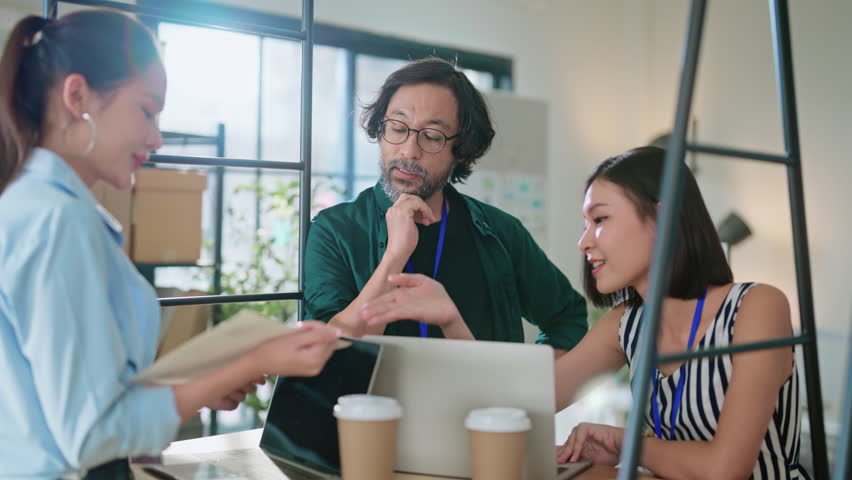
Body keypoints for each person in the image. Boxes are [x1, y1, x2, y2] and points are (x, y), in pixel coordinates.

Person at [0, 10, 340, 479]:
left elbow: (65, 394)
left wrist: (197, 384)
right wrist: (254, 360)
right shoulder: (57, 220)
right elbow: (91, 432)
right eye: (146, 110)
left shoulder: (34, 206)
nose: (156, 137)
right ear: (77, 96)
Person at [550, 147, 808, 479]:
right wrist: (457, 325)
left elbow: (724, 471)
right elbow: (532, 396)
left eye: (599, 219)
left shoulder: (757, 307)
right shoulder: (625, 324)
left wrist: (626, 443)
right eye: (585, 224)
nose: (583, 242)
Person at [304, 58, 587, 353]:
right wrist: (395, 255)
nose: (409, 151)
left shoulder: (500, 232)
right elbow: (327, 351)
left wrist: (526, 384)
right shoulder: (335, 230)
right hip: (371, 401)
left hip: (478, 400)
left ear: (461, 150)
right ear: (380, 127)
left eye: (432, 136)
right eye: (398, 128)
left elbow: (568, 318)